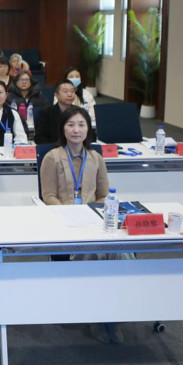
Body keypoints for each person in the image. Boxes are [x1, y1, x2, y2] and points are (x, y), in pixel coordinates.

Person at [38, 106, 120, 344]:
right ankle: (95, 314)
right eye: (71, 124)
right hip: (63, 222)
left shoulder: (96, 158)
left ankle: (113, 312)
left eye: (81, 125)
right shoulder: (52, 157)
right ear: (63, 129)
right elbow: (48, 196)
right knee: (92, 251)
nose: (76, 130)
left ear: (88, 130)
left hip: (92, 220)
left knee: (120, 250)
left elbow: (103, 194)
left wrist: (92, 213)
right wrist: (70, 215)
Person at [35, 79, 78, 145]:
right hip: (54, 149)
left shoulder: (79, 112)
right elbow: (40, 138)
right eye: (65, 91)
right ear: (56, 95)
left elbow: (90, 135)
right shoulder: (46, 113)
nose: (70, 94)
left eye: (72, 91)